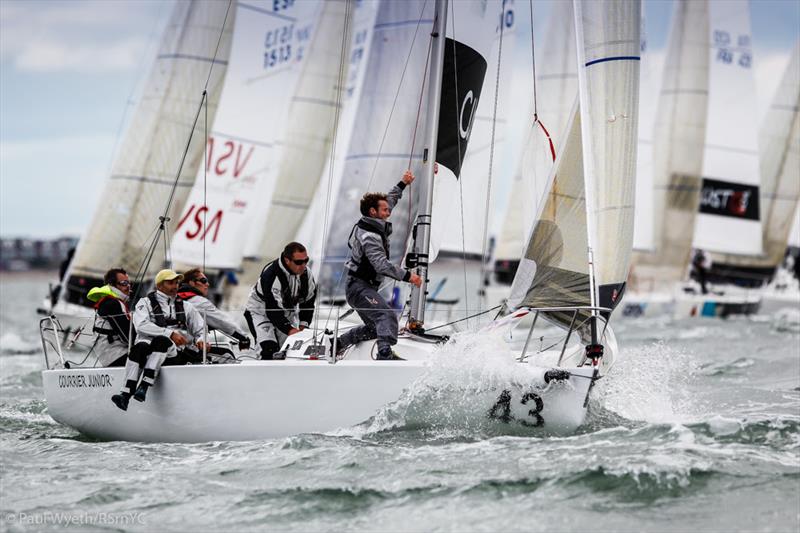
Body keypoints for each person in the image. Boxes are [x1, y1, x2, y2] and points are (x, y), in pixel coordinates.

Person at [335, 170, 422, 360]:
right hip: (358, 288)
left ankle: (339, 343)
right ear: (373, 212)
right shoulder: (369, 236)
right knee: (386, 316)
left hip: (363, 288)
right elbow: (381, 265)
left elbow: (390, 200)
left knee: (375, 328)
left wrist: (403, 183)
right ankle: (384, 354)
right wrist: (409, 276)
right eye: (385, 211)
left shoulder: (375, 218)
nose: (389, 212)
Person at [111, 269, 206, 411]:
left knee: (161, 341)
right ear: (159, 285)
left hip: (175, 354)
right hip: (147, 351)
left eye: (177, 282)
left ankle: (143, 387)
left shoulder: (187, 307)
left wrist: (201, 339)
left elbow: (201, 329)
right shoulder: (145, 303)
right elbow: (141, 325)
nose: (175, 286)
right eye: (170, 283)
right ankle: (125, 394)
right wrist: (170, 333)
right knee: (139, 347)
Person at [244, 242, 317, 360]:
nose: (303, 265)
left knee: (289, 350)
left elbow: (308, 301)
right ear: (287, 260)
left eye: (306, 260)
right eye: (299, 262)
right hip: (261, 311)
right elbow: (272, 309)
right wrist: (290, 329)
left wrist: (303, 325)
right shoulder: (272, 275)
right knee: (269, 349)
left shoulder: (306, 274)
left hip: (286, 311)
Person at [177, 268, 251, 360]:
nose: (207, 284)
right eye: (203, 281)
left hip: (177, 349)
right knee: (227, 355)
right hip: (187, 351)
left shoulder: (176, 299)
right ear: (192, 283)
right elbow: (223, 322)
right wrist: (243, 337)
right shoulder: (199, 302)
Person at [86, 268, 133, 367]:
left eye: (129, 283)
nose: (128, 286)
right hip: (115, 355)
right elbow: (127, 336)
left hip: (114, 353)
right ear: (112, 285)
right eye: (124, 283)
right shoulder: (112, 304)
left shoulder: (114, 302)